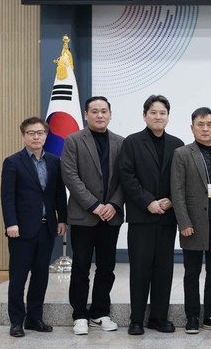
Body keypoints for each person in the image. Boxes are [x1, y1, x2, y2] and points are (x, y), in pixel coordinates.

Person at [118, 95, 184, 335]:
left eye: (162, 113)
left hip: (167, 217)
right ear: (144, 115)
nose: (158, 117)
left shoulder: (177, 144)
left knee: (164, 271)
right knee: (140, 269)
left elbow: (181, 179)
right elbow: (127, 177)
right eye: (153, 112)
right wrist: (148, 202)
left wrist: (170, 200)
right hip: (141, 218)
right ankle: (136, 320)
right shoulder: (132, 142)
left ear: (168, 116)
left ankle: (159, 318)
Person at [61, 96, 124, 335]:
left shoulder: (121, 142)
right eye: (95, 111)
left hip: (111, 216)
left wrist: (114, 204)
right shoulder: (74, 140)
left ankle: (100, 312)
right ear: (86, 115)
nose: (100, 115)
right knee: (81, 266)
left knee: (107, 267)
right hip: (84, 216)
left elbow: (125, 177)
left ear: (110, 114)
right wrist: (94, 205)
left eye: (104, 111)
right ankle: (79, 314)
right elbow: (70, 176)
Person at [1, 117, 67, 337]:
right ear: (23, 136)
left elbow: (59, 193)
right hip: (21, 230)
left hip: (46, 228)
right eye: (31, 133)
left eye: (40, 133)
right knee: (18, 277)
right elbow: (7, 197)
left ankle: (34, 318)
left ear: (46, 135)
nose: (36, 137)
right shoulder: (13, 162)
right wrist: (11, 223)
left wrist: (62, 219)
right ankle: (16, 322)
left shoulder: (54, 161)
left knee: (40, 276)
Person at [171, 107, 211, 334]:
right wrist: (184, 222)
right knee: (192, 273)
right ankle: (192, 317)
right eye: (200, 124)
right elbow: (177, 191)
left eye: (209, 124)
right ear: (192, 127)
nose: (205, 129)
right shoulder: (182, 154)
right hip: (193, 224)